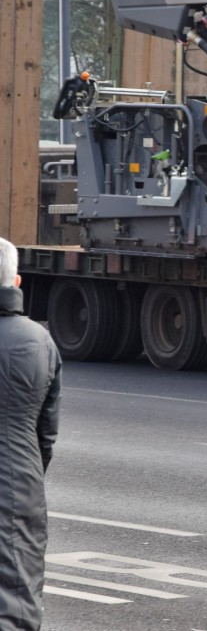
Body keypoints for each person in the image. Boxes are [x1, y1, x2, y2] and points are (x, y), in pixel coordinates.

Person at [0, 238, 61, 630]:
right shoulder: (40, 340)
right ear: (16, 282)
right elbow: (47, 434)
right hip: (19, 483)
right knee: (16, 598)